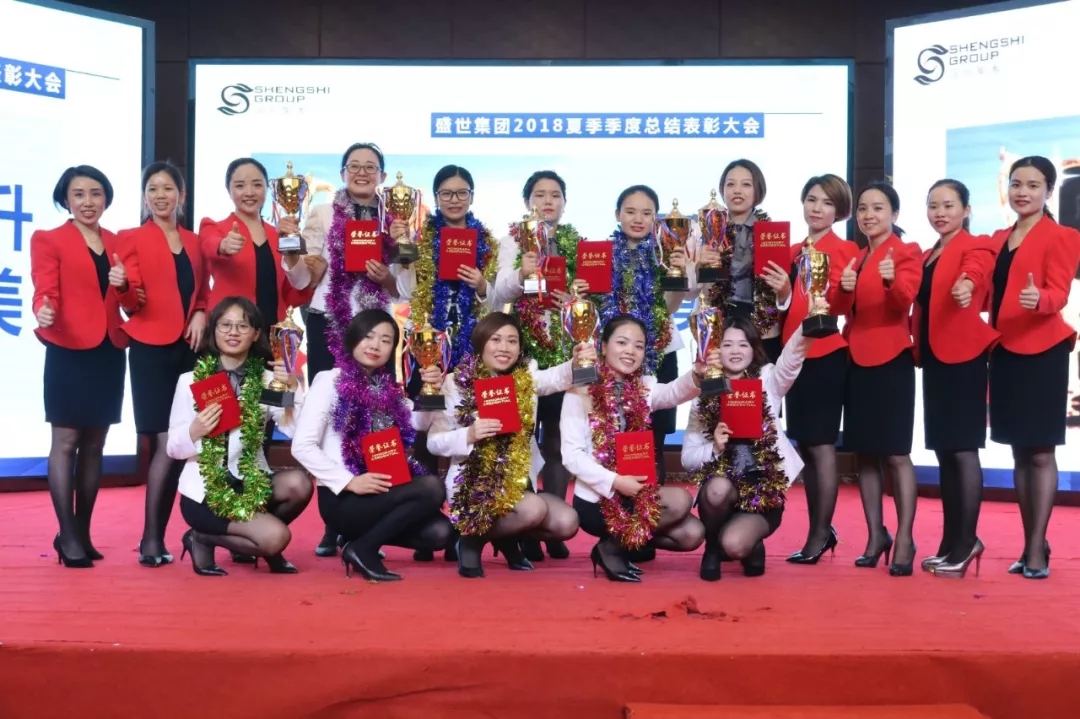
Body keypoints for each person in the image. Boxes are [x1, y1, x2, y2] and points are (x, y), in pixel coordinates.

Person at [291, 309, 452, 582]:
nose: (375, 345)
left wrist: (432, 391)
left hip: (382, 490)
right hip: (344, 498)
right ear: (353, 338)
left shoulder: (388, 390)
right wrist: (350, 481)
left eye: (386, 340)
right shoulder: (330, 381)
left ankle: (357, 541)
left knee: (441, 533)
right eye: (368, 336)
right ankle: (363, 548)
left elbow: (420, 423)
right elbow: (302, 446)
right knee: (432, 487)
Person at [426, 312, 589, 578]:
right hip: (472, 486)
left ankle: (505, 537)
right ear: (481, 342)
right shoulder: (454, 383)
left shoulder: (525, 375)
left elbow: (556, 378)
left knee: (566, 522)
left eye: (512, 341)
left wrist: (578, 360)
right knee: (534, 509)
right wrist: (469, 435)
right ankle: (470, 539)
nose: (504, 347)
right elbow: (433, 443)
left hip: (517, 481)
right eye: (496, 339)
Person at [299, 142, 403, 557]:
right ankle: (334, 522)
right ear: (343, 172)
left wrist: (386, 276)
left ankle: (373, 516)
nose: (362, 172)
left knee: (377, 419)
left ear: (382, 175)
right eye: (354, 166)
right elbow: (305, 276)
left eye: (370, 167)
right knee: (332, 420)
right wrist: (309, 262)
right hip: (329, 321)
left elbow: (405, 287)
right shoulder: (323, 214)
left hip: (375, 330)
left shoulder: (395, 221)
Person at [31, 165, 138, 567]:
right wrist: (43, 310)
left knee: (95, 444)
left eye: (95, 193)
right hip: (68, 348)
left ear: (106, 198)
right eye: (78, 194)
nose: (88, 202)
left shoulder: (118, 242)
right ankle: (68, 536)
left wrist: (125, 285)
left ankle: (83, 532)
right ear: (66, 199)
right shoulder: (49, 239)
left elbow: (132, 302)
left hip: (109, 348)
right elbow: (45, 289)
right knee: (66, 441)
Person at [167, 297, 312, 575]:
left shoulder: (269, 381)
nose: (233, 332)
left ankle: (246, 536)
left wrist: (293, 388)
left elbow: (295, 431)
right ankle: (203, 536)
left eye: (243, 326)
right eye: (225, 325)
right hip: (205, 493)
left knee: (299, 484)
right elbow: (173, 449)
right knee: (276, 538)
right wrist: (195, 430)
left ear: (256, 334)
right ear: (214, 330)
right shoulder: (190, 381)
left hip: (252, 484)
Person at [561, 315, 710, 582]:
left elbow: (673, 393)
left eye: (638, 346)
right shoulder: (579, 389)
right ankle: (610, 547)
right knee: (680, 501)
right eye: (622, 343)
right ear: (603, 346)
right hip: (599, 496)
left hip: (637, 491)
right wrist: (616, 481)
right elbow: (572, 457)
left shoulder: (644, 386)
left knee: (692, 534)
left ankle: (624, 543)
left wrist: (698, 373)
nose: (630, 351)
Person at [988, 156, 1080, 580]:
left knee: (1041, 452)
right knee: (1019, 451)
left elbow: (1059, 292)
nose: (1022, 192)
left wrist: (1039, 299)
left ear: (1049, 191)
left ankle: (1037, 549)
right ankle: (1032, 543)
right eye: (1016, 184)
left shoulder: (1063, 236)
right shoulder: (999, 238)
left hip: (1043, 352)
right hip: (1005, 350)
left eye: (1032, 185)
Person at [116, 161, 210, 567]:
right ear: (144, 197)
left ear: (181, 196)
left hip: (190, 349)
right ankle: (151, 539)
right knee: (162, 444)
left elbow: (202, 292)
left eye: (168, 188)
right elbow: (130, 301)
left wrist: (202, 312)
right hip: (150, 349)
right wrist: (122, 286)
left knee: (186, 441)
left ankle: (178, 533)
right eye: (152, 189)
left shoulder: (194, 242)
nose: (160, 195)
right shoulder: (131, 238)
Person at [682, 314, 817, 580]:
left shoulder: (769, 380)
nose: (735, 351)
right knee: (717, 489)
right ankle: (711, 548)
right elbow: (687, 458)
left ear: (754, 349)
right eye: (727, 344)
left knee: (734, 545)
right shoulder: (705, 393)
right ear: (715, 349)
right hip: (721, 495)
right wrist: (715, 448)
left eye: (743, 344)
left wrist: (809, 323)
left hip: (761, 494)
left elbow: (791, 360)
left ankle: (751, 542)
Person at [577, 185, 691, 495]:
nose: (638, 219)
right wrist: (581, 292)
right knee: (611, 433)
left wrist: (678, 272)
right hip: (613, 359)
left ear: (656, 219)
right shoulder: (599, 255)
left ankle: (651, 511)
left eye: (646, 213)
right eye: (630, 211)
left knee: (653, 441)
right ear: (618, 215)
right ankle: (613, 513)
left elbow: (670, 308)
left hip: (658, 353)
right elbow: (590, 309)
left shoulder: (665, 253)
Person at [912, 179, 999, 578]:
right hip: (934, 359)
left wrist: (966, 285)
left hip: (964, 360)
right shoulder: (927, 255)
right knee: (945, 452)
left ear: (966, 210)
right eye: (934, 206)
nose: (940, 212)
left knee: (963, 451)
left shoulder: (975, 244)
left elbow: (975, 271)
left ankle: (967, 543)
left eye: (949, 205)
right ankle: (950, 544)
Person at [494, 170, 581, 561]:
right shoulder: (513, 241)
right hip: (524, 353)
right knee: (522, 439)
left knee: (558, 441)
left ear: (564, 202)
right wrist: (521, 274)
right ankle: (527, 525)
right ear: (527, 201)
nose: (548, 201)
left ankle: (552, 530)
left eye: (555, 195)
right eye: (540, 194)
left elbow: (591, 300)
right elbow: (497, 292)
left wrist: (575, 301)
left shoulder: (576, 242)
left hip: (564, 354)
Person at [841, 182, 923, 577]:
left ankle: (905, 539)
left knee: (896, 454)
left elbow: (904, 300)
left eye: (877, 208)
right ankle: (876, 535)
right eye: (862, 208)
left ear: (894, 214)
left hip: (892, 361)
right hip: (856, 360)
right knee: (866, 455)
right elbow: (840, 309)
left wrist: (890, 280)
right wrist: (843, 288)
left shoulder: (906, 251)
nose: (868, 215)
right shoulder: (857, 258)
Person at [781, 174, 858, 565]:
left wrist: (846, 287)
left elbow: (842, 306)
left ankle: (819, 533)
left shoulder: (846, 250)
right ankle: (820, 530)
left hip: (826, 354)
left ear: (839, 210)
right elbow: (783, 306)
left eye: (827, 202)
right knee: (807, 445)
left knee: (822, 445)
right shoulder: (793, 251)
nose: (817, 208)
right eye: (812, 199)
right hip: (792, 357)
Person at [198, 157, 313, 336]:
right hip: (231, 334)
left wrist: (312, 277)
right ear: (228, 190)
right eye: (240, 186)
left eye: (257, 185)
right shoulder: (214, 227)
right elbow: (208, 245)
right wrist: (224, 245)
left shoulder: (279, 235)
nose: (249, 192)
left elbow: (290, 295)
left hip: (273, 333)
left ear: (267, 188)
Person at [702, 159, 790, 362]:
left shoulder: (773, 234)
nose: (737, 190)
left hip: (763, 331)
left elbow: (780, 291)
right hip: (718, 328)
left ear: (758, 191)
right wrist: (699, 266)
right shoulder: (706, 231)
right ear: (722, 190)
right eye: (731, 184)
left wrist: (784, 290)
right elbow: (690, 292)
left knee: (763, 382)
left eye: (746, 184)